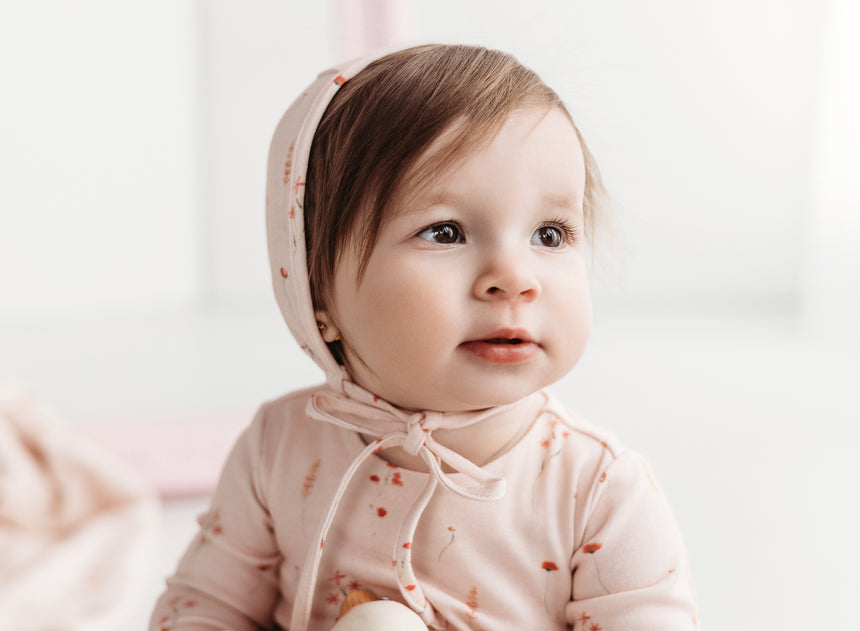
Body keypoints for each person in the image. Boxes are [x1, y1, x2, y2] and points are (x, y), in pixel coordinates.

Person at [150, 44, 698, 631]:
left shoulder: (598, 487)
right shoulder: (280, 447)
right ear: (317, 299)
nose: (515, 277)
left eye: (550, 233)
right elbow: (203, 608)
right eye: (445, 231)